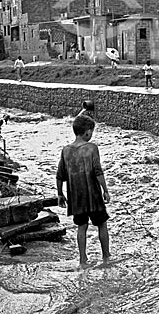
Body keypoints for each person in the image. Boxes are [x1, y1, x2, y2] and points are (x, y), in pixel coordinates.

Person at [56, 115, 111, 269]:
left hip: (76, 197)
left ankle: (82, 260)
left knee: (82, 226)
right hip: (93, 195)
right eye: (91, 131)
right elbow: (98, 171)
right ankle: (106, 256)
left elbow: (60, 175)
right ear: (87, 132)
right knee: (102, 224)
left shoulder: (66, 150)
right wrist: (105, 190)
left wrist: (60, 194)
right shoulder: (91, 148)